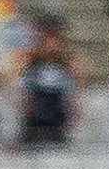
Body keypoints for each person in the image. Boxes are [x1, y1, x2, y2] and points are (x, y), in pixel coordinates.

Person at [16, 13, 82, 148]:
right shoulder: (30, 58)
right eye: (46, 38)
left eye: (54, 38)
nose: (51, 44)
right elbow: (15, 74)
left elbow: (81, 75)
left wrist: (62, 58)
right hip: (36, 107)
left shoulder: (66, 60)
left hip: (56, 106)